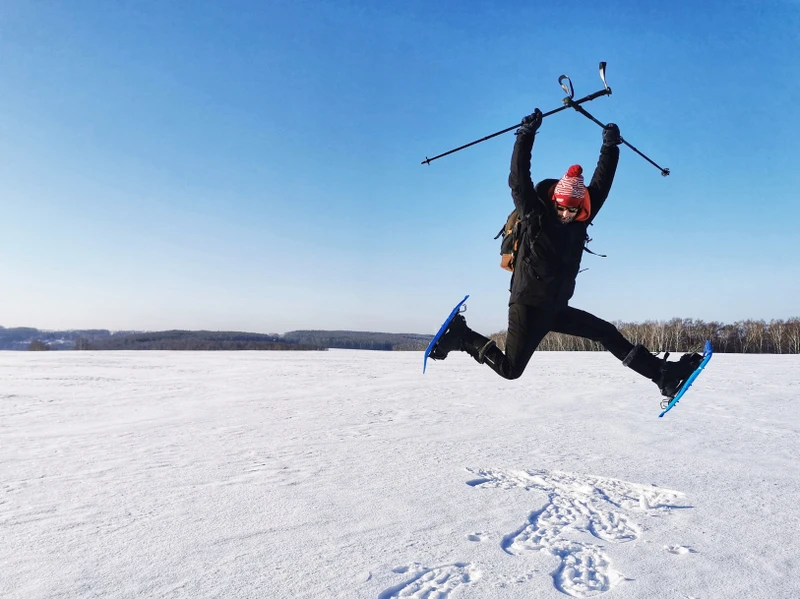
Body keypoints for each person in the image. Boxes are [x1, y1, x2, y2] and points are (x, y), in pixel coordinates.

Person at [429, 108, 701, 401]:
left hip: (557, 308)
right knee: (510, 369)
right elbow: (518, 178)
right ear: (555, 201)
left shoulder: (581, 217)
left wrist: (610, 147)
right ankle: (462, 336)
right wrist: (526, 135)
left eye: (573, 209)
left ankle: (663, 375)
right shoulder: (534, 215)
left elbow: (602, 184)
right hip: (528, 307)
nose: (567, 214)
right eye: (562, 207)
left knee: (607, 333)